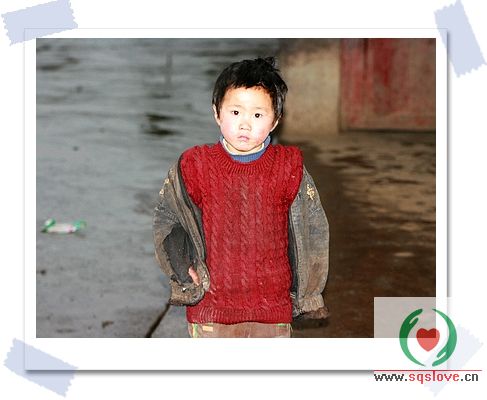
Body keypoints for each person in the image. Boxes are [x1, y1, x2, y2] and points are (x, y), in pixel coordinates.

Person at [153, 57, 329, 338]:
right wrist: (184, 268)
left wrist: (308, 294)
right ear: (217, 112)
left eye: (257, 115)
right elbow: (169, 218)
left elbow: (313, 231)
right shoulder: (195, 166)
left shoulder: (289, 168)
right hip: (211, 311)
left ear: (275, 121)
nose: (245, 124)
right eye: (235, 112)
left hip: (271, 311)